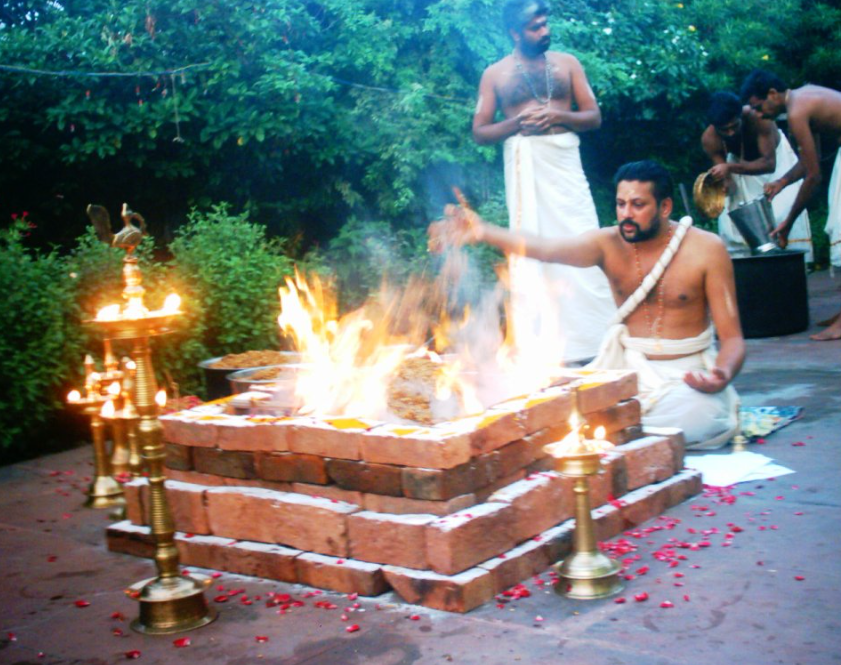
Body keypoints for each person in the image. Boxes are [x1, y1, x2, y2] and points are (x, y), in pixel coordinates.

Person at [429, 160, 745, 449]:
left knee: (699, 415)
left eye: (638, 205)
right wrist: (484, 231)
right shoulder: (607, 244)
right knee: (550, 400)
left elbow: (732, 340)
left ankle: (617, 429)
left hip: (684, 377)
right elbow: (546, 249)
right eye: (621, 204)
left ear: (664, 207)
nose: (626, 214)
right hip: (625, 370)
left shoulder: (707, 249)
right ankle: (620, 428)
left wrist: (722, 374)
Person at [471, 0, 615, 362]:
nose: (544, 31)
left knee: (581, 236)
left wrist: (556, 114)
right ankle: (539, 345)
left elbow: (594, 117)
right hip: (525, 168)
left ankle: (596, 339)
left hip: (564, 164)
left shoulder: (568, 64)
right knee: (531, 248)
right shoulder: (496, 74)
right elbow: (481, 132)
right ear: (515, 33)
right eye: (535, 27)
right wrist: (516, 124)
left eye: (545, 23)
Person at [741, 70, 841, 341]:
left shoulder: (796, 112)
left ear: (773, 94)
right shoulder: (803, 96)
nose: (760, 115)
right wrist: (783, 181)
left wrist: (788, 223)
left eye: (760, 107)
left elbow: (814, 177)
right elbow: (813, 160)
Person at [701, 91, 813, 261]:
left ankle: (792, 265)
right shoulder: (710, 139)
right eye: (725, 130)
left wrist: (729, 167)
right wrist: (724, 183)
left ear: (740, 116)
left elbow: (769, 164)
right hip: (738, 167)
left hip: (776, 166)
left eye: (734, 126)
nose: (731, 133)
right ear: (715, 126)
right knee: (732, 225)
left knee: (783, 213)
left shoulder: (759, 118)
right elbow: (727, 179)